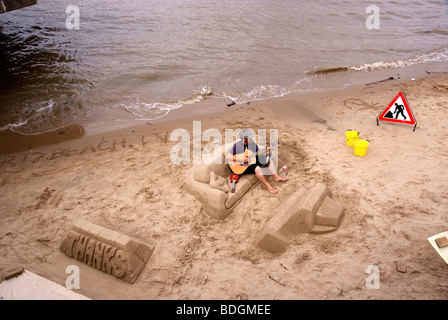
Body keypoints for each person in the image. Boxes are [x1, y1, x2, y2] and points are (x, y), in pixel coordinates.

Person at [226, 128, 287, 194]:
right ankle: (268, 187)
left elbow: (258, 153)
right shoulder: (238, 145)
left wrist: (265, 150)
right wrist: (241, 159)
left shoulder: (252, 143)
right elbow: (228, 156)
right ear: (244, 138)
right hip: (241, 166)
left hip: (251, 160)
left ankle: (277, 177)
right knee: (257, 169)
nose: (251, 138)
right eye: (250, 137)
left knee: (267, 159)